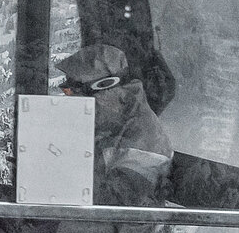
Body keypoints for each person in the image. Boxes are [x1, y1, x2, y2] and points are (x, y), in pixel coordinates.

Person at [55, 42, 174, 202]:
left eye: (75, 91)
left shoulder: (144, 141)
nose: (70, 99)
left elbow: (110, 205)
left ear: (107, 88)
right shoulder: (113, 124)